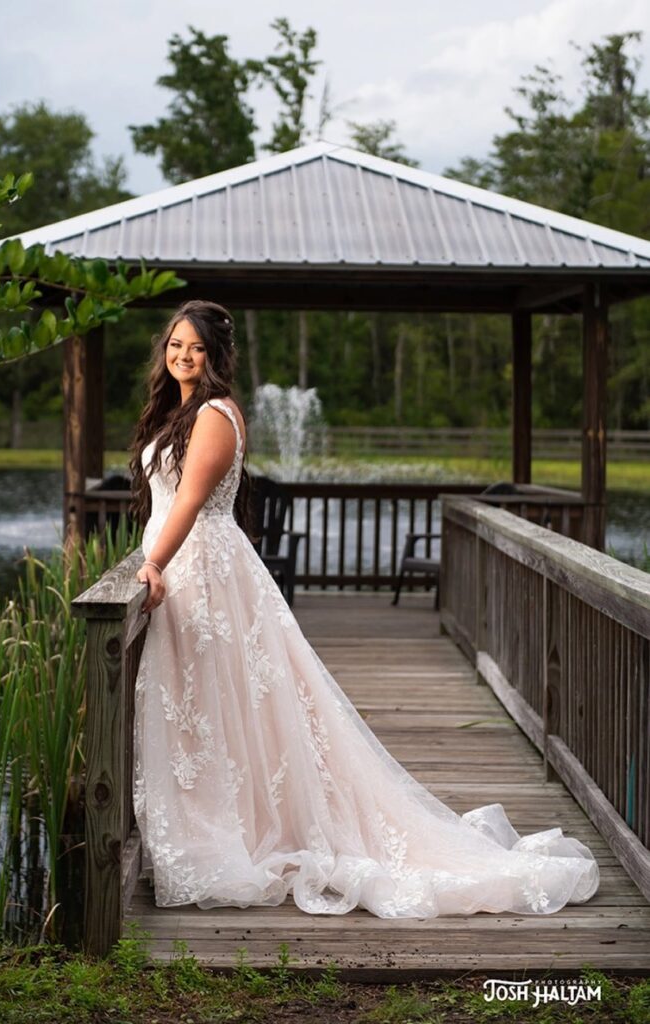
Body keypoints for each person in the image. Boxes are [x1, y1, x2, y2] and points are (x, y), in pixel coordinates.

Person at [126, 298, 600, 917]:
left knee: (228, 701)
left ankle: (233, 833)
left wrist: (154, 563)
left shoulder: (214, 415)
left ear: (216, 358)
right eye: (175, 346)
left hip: (203, 572)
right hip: (186, 575)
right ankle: (211, 823)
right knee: (206, 705)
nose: (183, 356)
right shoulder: (176, 413)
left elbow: (188, 503)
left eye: (196, 348)